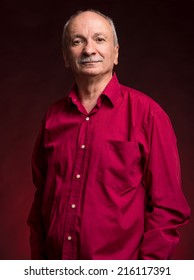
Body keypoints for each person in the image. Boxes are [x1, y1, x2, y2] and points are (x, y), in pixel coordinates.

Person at [27, 9, 190, 260]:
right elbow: (41, 201)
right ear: (65, 55)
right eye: (77, 41)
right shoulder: (53, 117)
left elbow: (168, 209)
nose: (89, 50)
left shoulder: (148, 115)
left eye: (100, 39)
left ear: (115, 53)